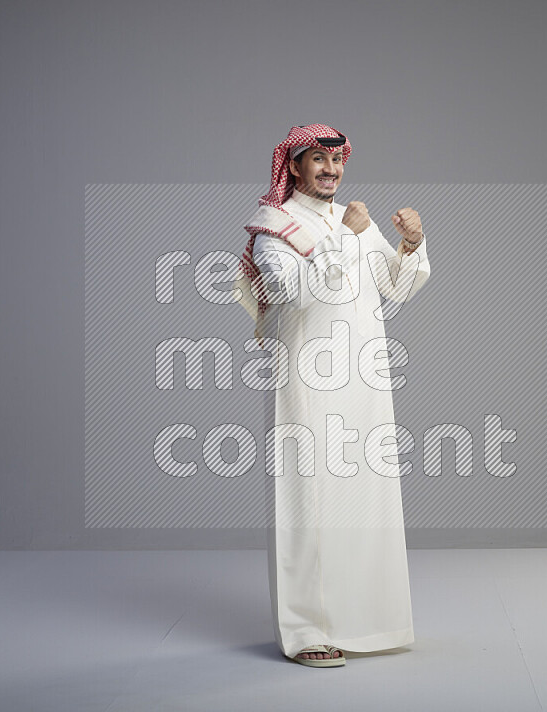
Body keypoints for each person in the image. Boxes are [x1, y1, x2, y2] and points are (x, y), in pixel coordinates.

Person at [235, 124, 431, 667]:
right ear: (293, 166)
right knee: (309, 500)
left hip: (365, 378)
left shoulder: (356, 221)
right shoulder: (275, 226)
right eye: (316, 159)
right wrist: (347, 235)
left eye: (336, 159)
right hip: (306, 380)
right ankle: (305, 633)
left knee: (366, 498)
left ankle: (364, 621)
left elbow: (393, 288)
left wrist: (410, 245)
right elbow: (290, 292)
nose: (330, 168)